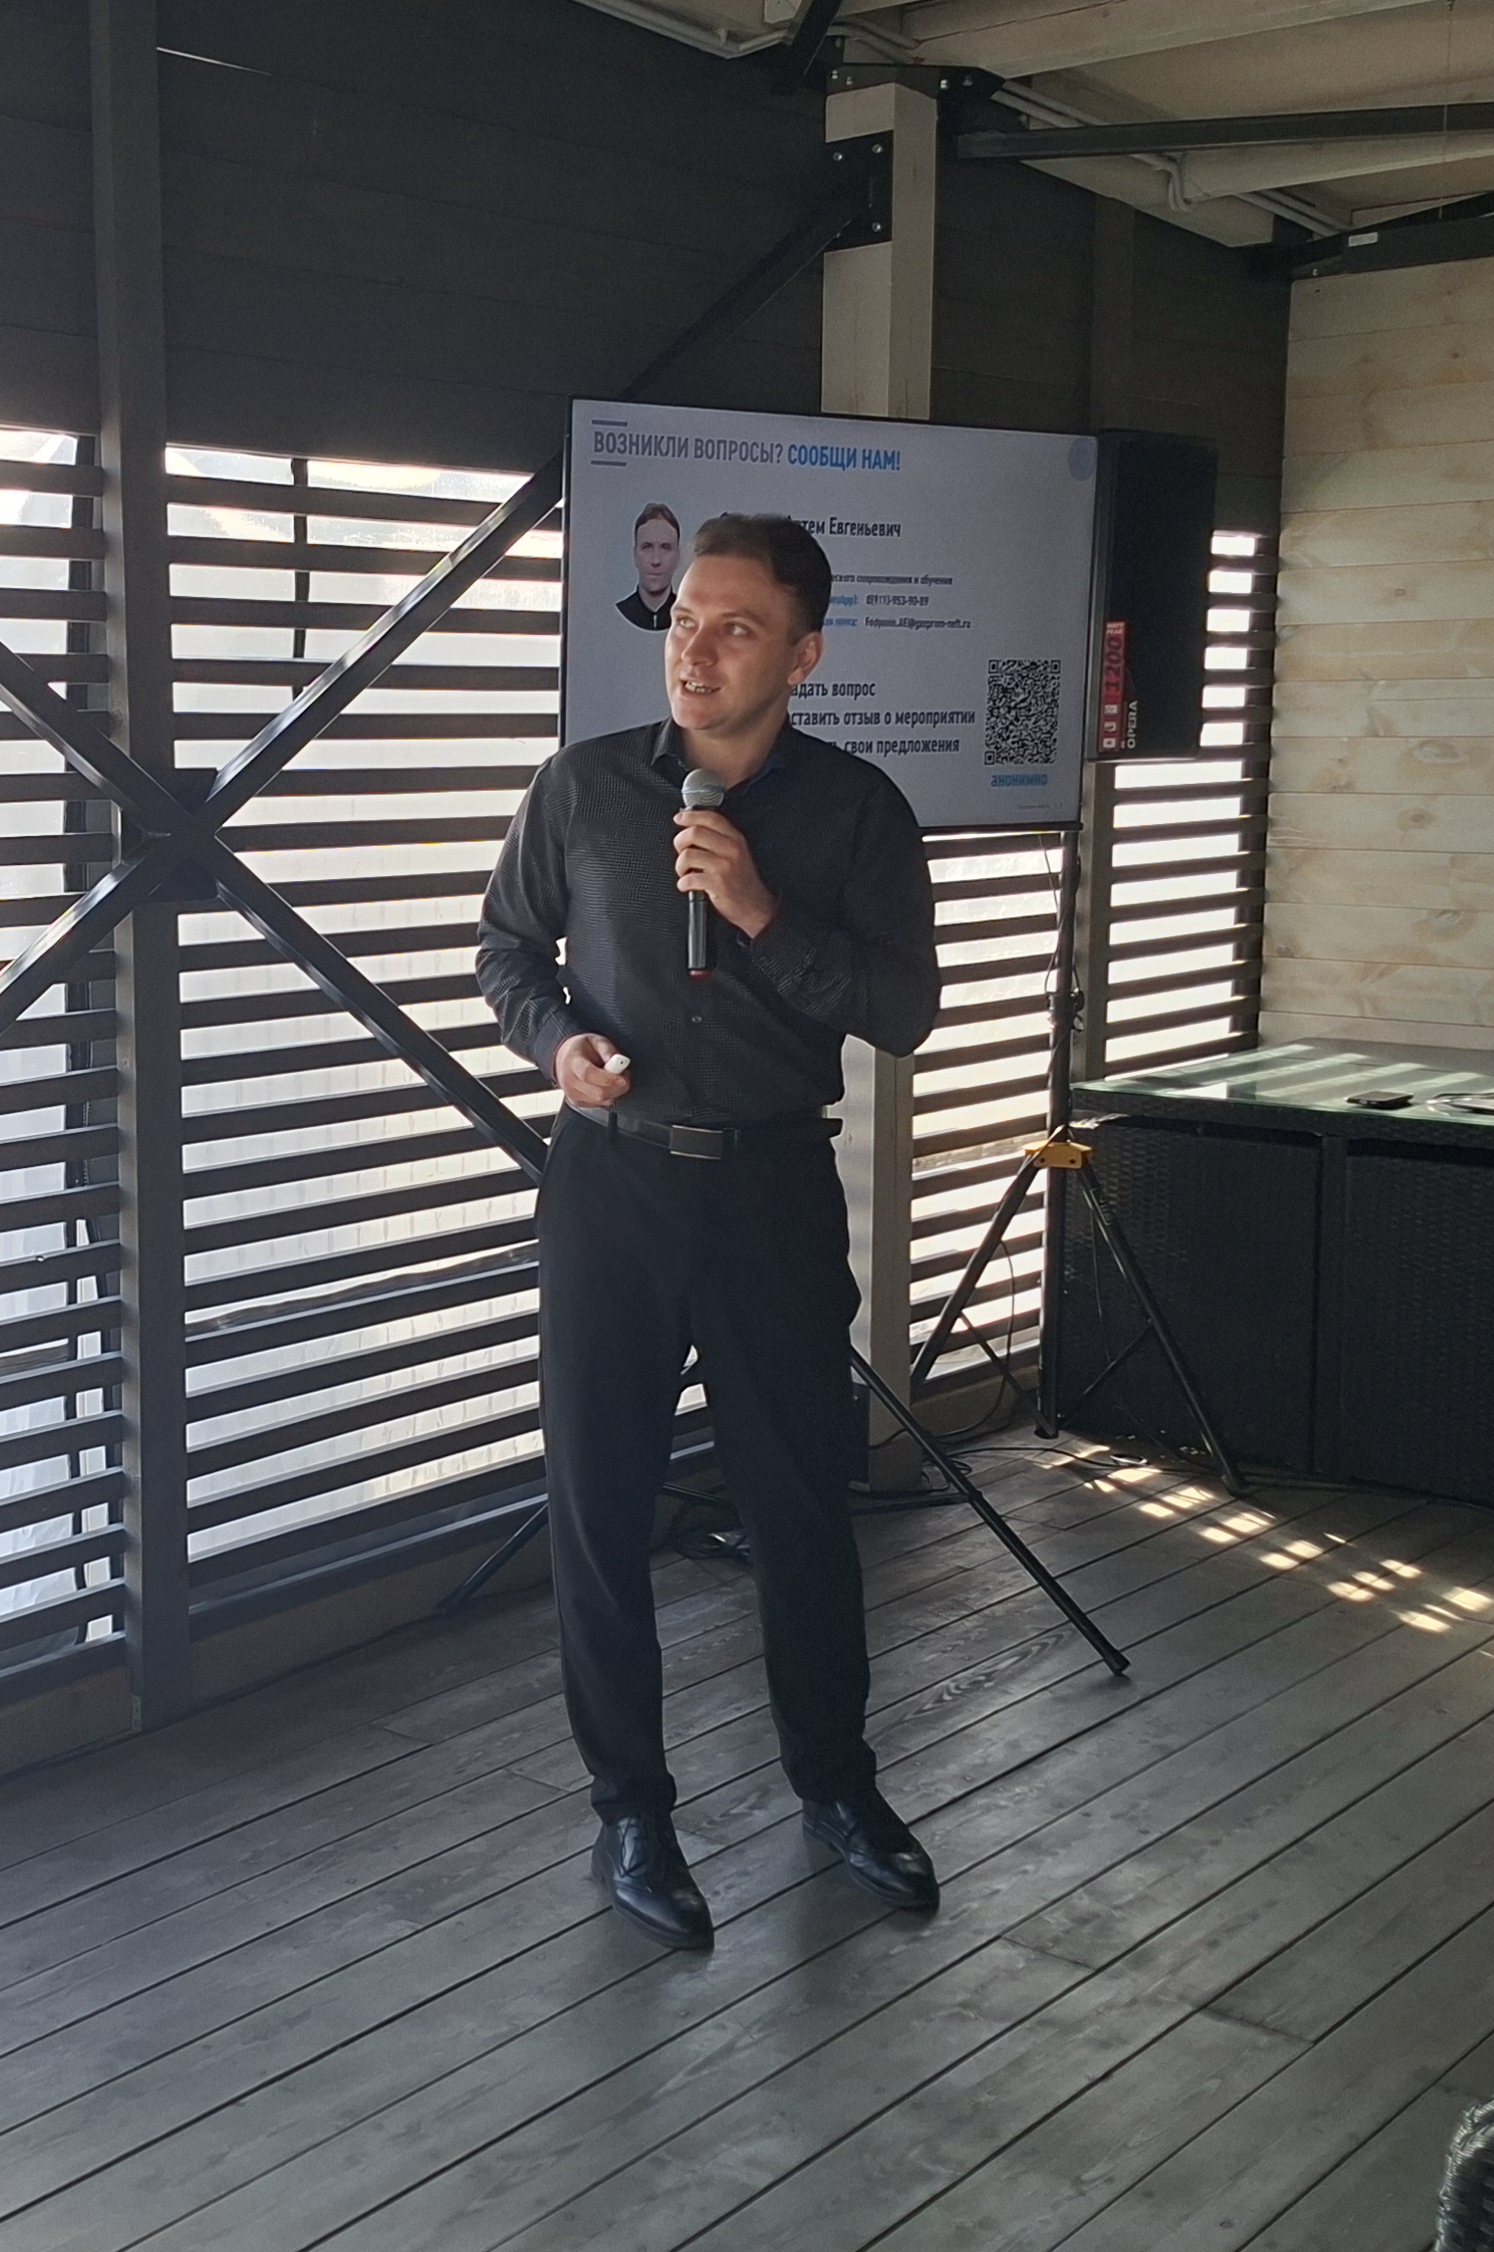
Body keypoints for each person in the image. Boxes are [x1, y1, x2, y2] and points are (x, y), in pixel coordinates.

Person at [478, 510, 940, 1950]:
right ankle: (631, 1805)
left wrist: (757, 910)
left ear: (801, 656)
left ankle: (836, 1783)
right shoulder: (581, 786)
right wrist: (554, 1044)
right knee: (599, 1503)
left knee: (798, 1503)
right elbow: (506, 948)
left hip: (770, 1190)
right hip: (610, 1188)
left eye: (736, 628)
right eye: (685, 620)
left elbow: (904, 1011)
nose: (697, 648)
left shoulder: (857, 812)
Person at [615, 502, 681, 631]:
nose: (656, 560)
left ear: (677, 556)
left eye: (665, 547)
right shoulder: (622, 610)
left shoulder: (688, 613)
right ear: (635, 555)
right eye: (647, 547)